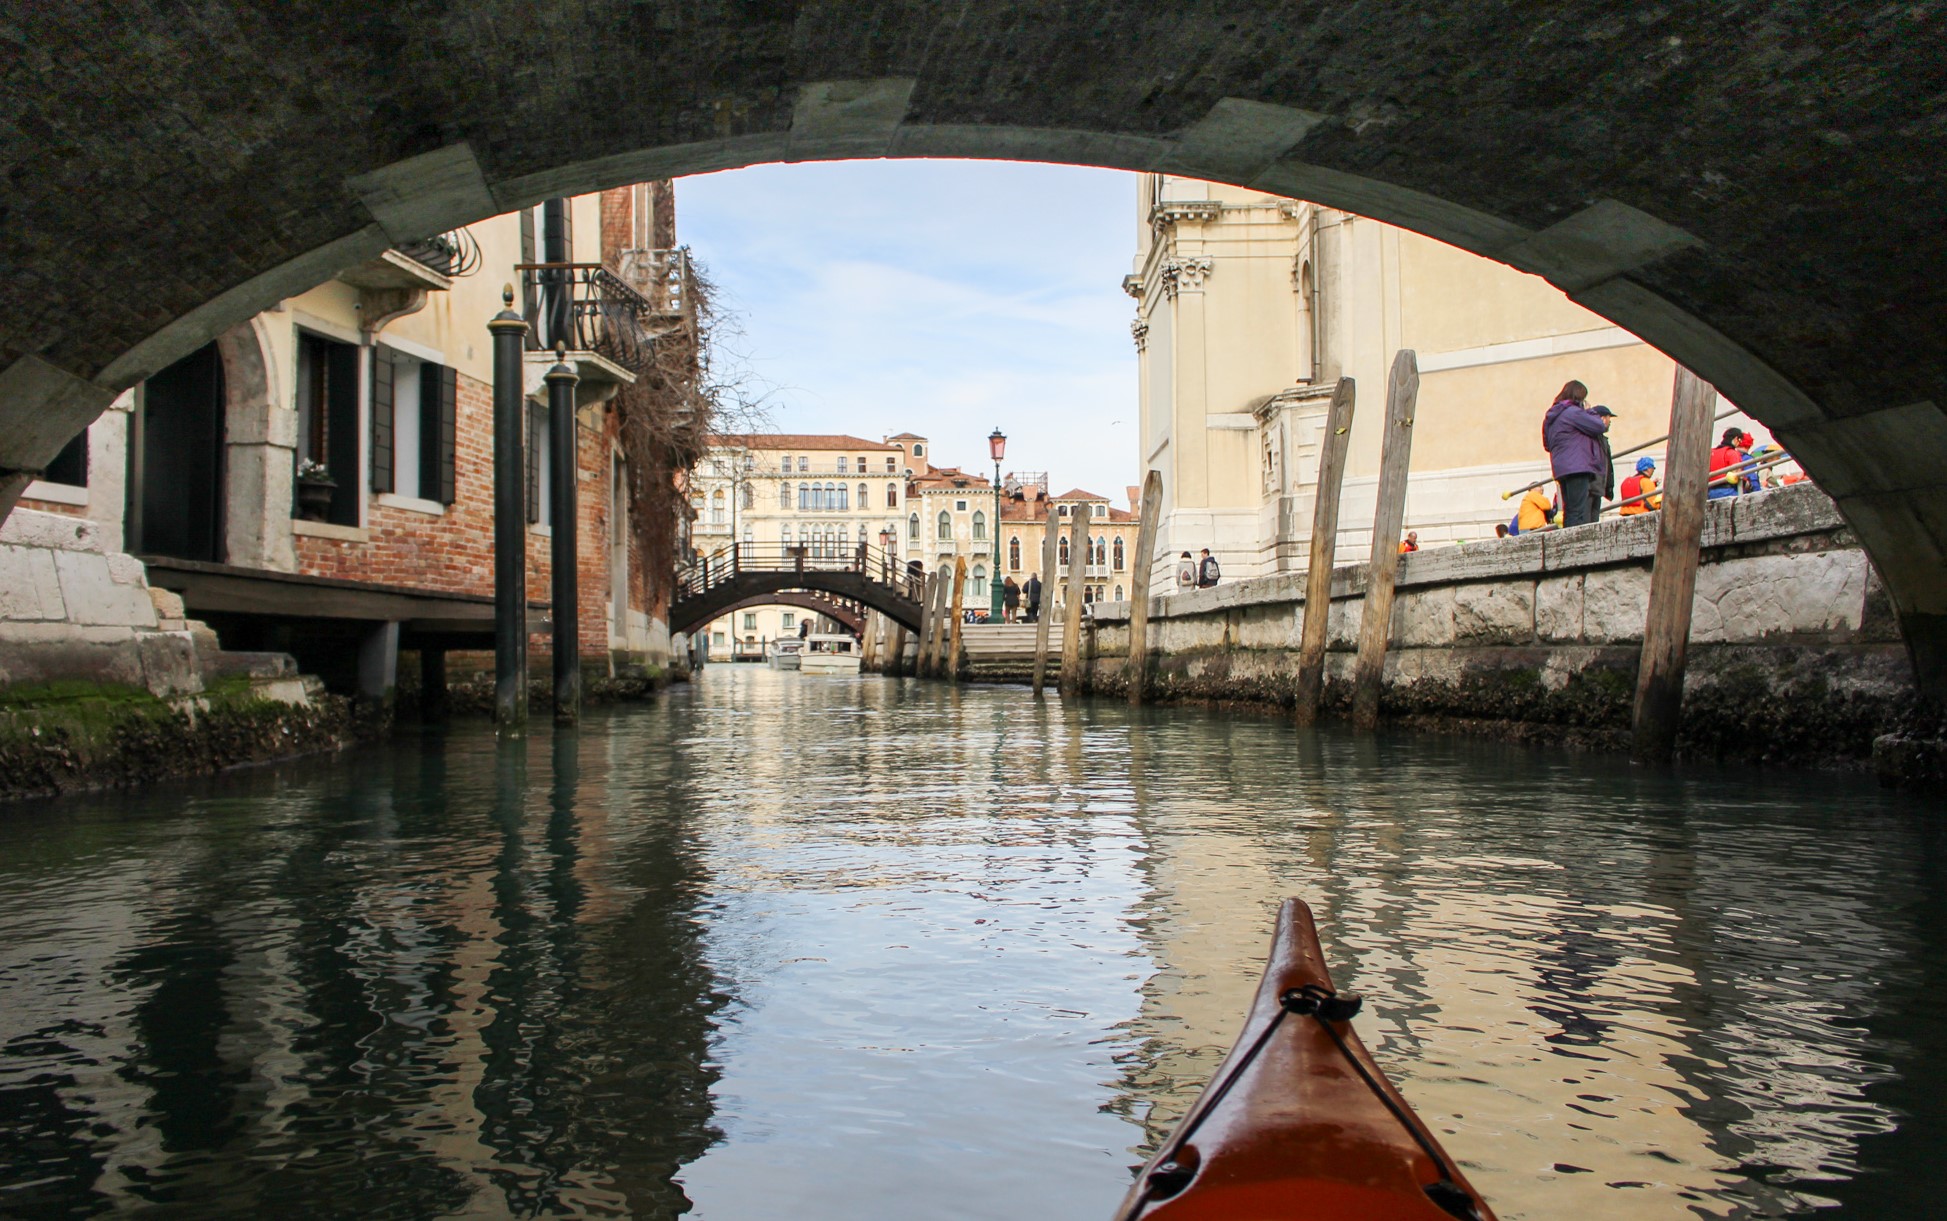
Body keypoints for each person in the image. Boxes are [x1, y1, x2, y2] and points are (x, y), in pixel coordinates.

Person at [1542, 379, 1610, 527]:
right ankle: (1572, 542)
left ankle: (1568, 540)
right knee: (1577, 510)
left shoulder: (1553, 415)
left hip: (1561, 468)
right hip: (1578, 467)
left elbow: (1547, 444)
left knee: (1570, 509)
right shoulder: (1573, 413)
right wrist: (1589, 411)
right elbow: (1599, 426)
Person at [1590, 405, 1618, 520]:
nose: (1610, 421)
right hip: (1591, 486)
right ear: (1601, 418)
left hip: (1598, 486)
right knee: (1588, 520)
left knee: (1593, 520)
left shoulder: (1602, 439)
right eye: (1608, 417)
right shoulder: (1591, 438)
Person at [1709, 427, 1746, 499]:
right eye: (1740, 440)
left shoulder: (1711, 453)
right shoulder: (1732, 453)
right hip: (1728, 491)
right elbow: (1737, 473)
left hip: (1710, 492)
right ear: (1736, 439)